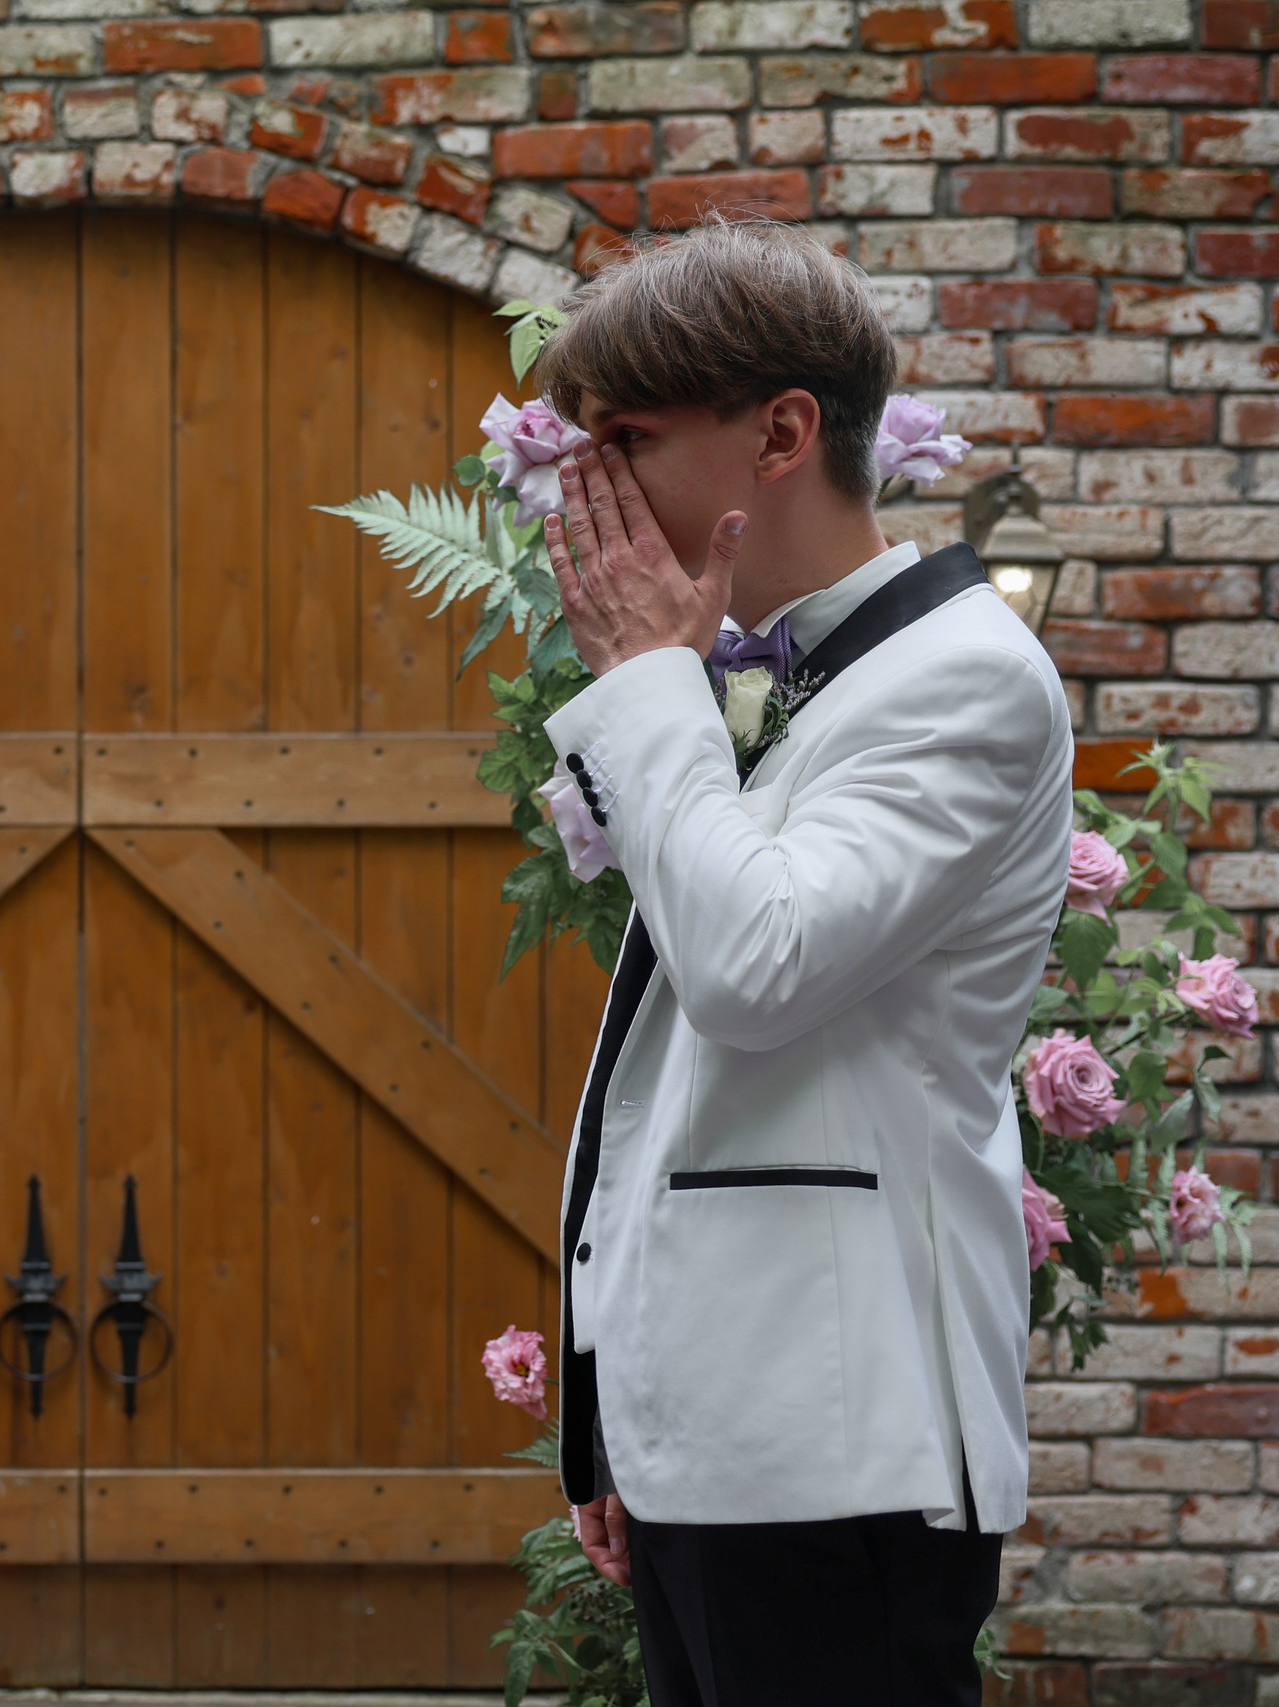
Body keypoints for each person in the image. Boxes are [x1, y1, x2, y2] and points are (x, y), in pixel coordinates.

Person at [534, 222, 1072, 1706]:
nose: (588, 488)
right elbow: (672, 1083)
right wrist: (620, 1418)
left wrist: (654, 682)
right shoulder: (770, 670)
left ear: (779, 434)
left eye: (628, 440)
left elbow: (754, 970)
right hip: (713, 1434)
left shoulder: (964, 678)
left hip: (839, 1449)